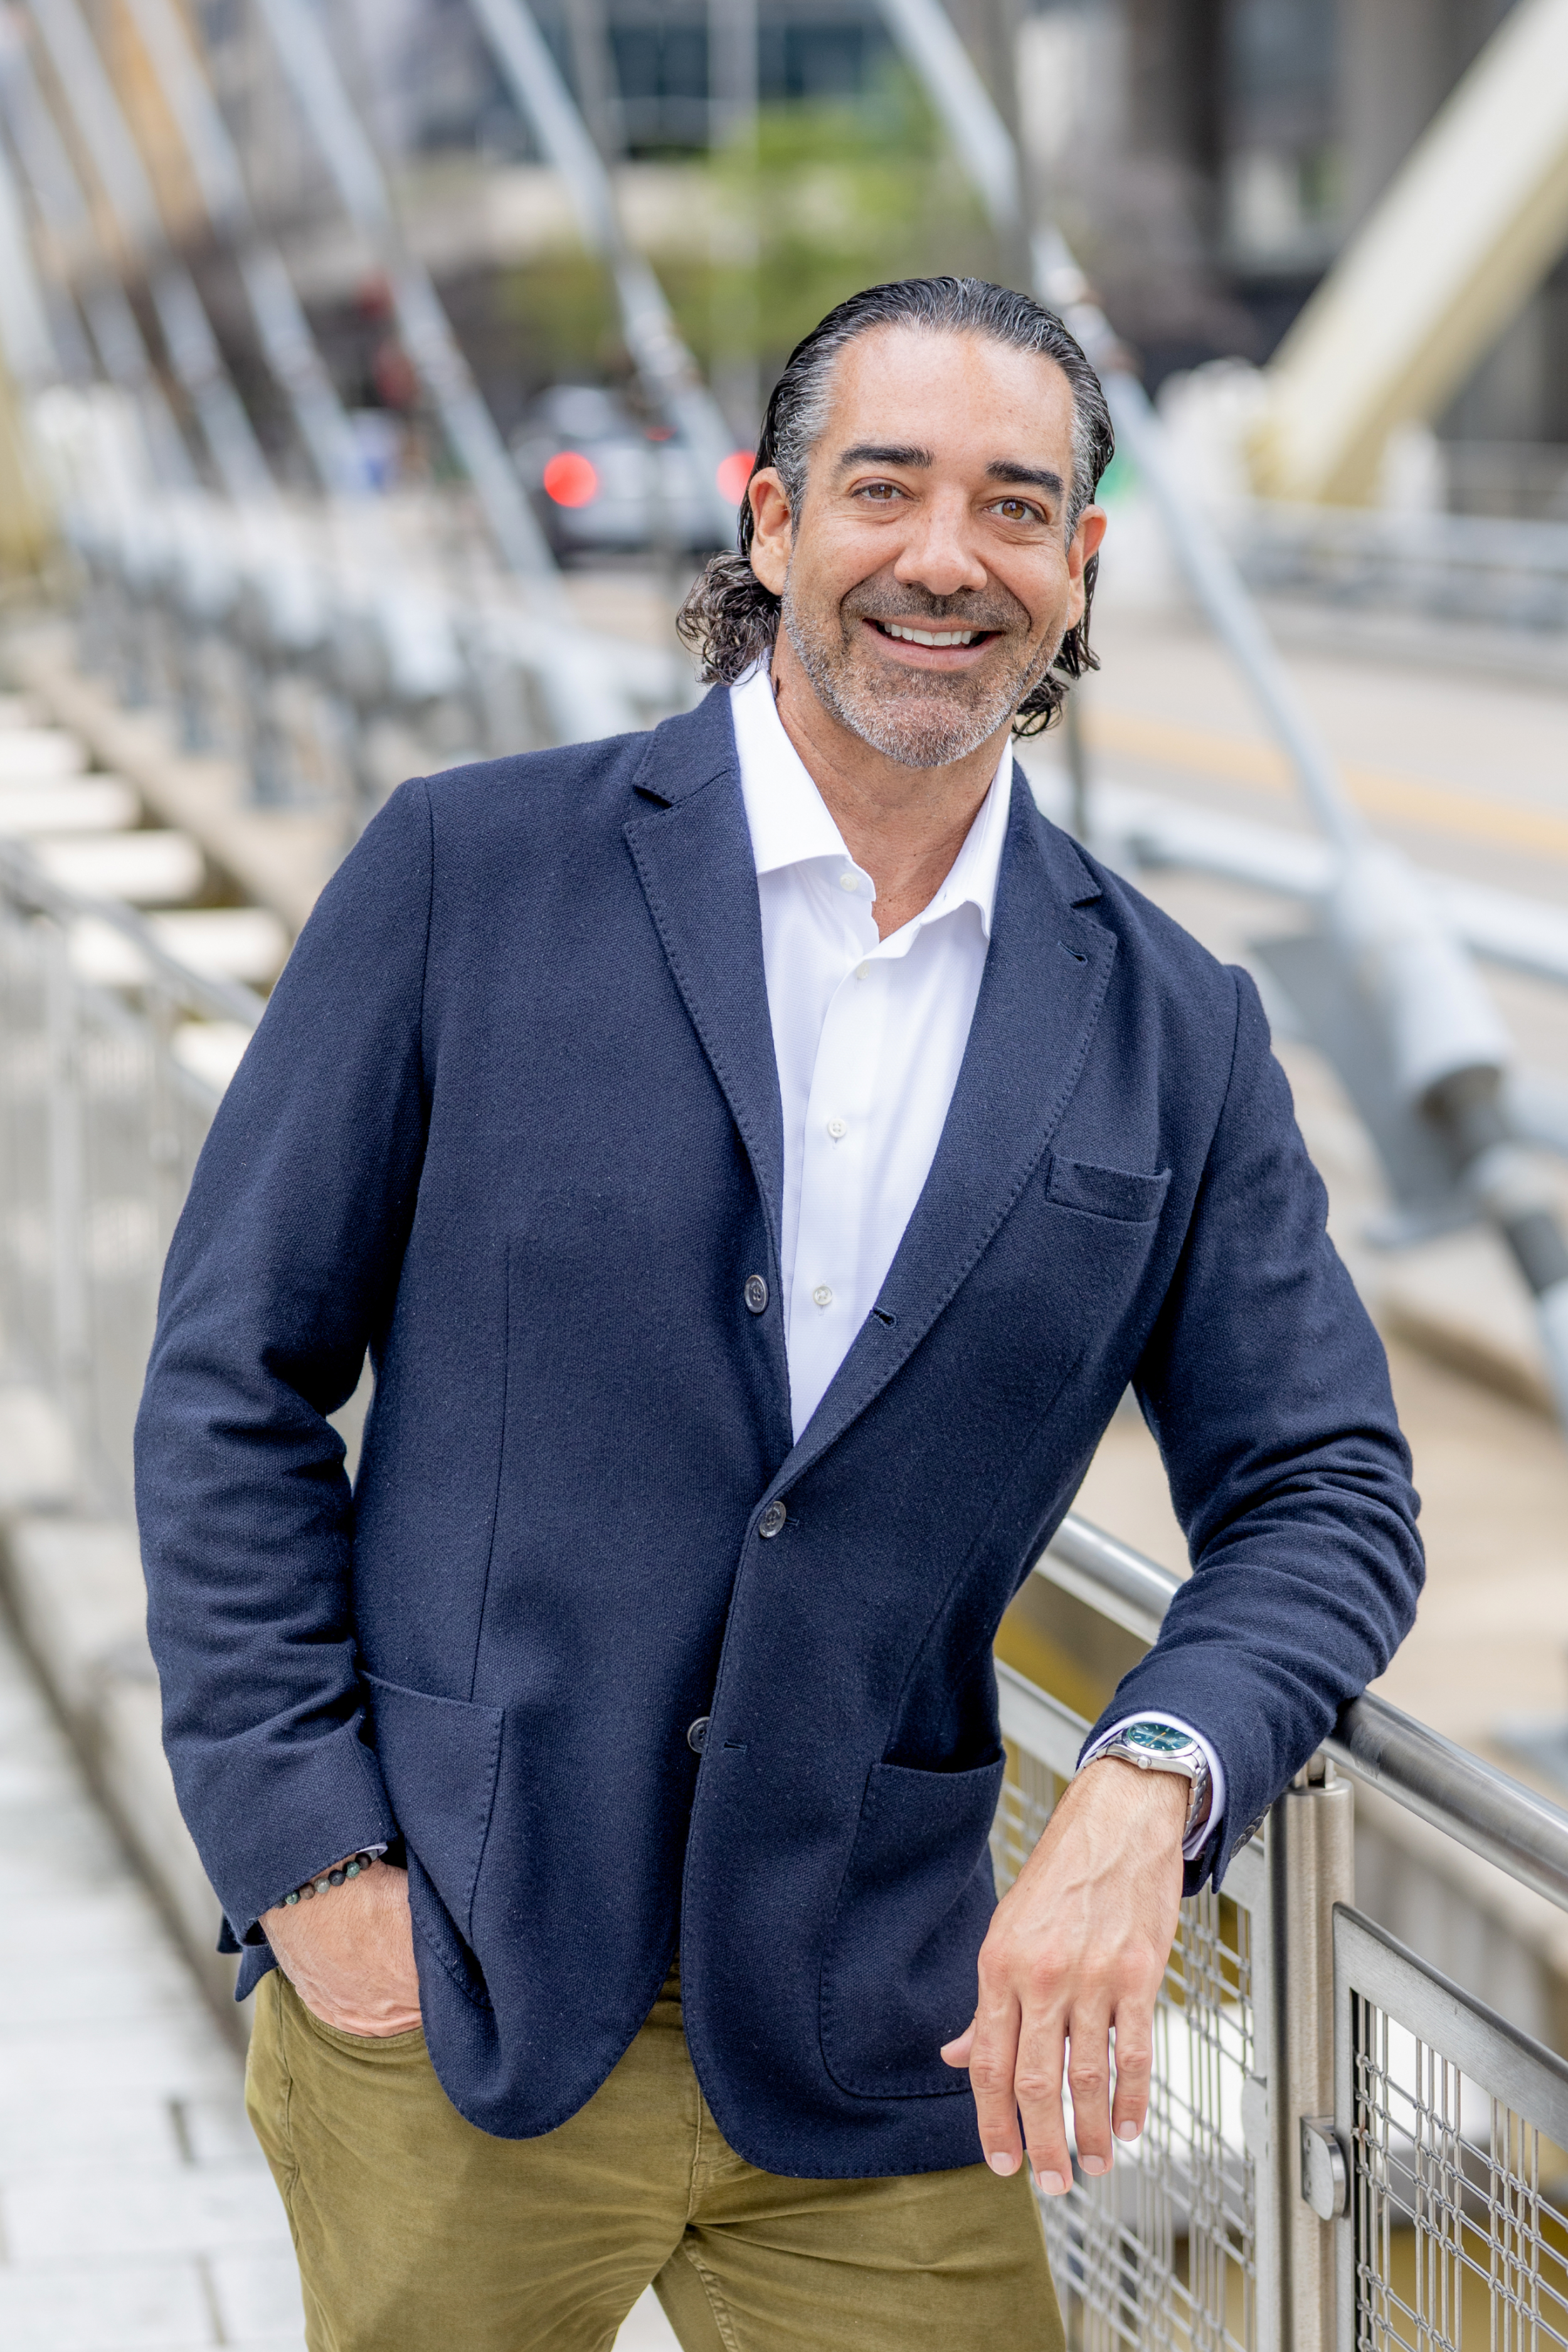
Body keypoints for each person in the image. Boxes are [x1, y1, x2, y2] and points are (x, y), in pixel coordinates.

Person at [135, 277, 1423, 2351]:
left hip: (880, 2026)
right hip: (450, 1984)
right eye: (881, 487)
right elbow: (230, 1380)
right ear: (766, 523)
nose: (944, 555)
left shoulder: (1170, 1023)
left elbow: (1328, 1487)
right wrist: (310, 1858)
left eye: (1016, 506)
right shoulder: (471, 870)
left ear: (1079, 569)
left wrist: (1148, 1778)